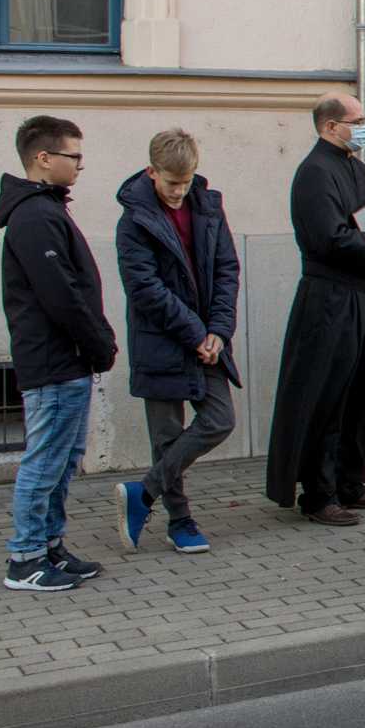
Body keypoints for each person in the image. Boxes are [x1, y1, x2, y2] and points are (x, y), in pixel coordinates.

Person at [265, 92, 365, 526]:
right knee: (327, 394)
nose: (364, 127)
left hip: (361, 292)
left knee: (359, 393)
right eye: (356, 121)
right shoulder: (314, 172)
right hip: (328, 298)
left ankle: (350, 482)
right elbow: (331, 238)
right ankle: (319, 494)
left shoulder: (353, 166)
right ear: (330, 126)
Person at [0, 117, 118, 592]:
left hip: (68, 361)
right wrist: (98, 342)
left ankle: (49, 547)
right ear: (44, 158)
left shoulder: (46, 209)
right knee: (45, 460)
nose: (80, 165)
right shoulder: (34, 216)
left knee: (64, 461)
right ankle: (25, 560)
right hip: (52, 362)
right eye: (74, 156)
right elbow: (60, 294)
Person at [113, 129, 241, 556]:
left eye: (186, 182)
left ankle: (143, 492)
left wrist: (219, 331)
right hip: (161, 340)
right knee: (166, 436)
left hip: (207, 339)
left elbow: (226, 269)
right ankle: (180, 521)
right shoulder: (134, 220)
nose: (179, 191)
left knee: (220, 419)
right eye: (171, 182)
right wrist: (195, 333)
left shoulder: (208, 207)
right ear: (152, 172)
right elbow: (144, 289)